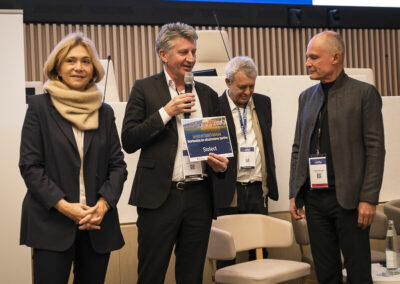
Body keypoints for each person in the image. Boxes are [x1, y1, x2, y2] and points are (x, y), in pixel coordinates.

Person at [121, 22, 228, 284]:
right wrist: (167, 111)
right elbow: (129, 140)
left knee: (192, 275)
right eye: (183, 52)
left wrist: (220, 165)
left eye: (193, 51)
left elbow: (221, 148)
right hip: (159, 198)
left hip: (199, 197)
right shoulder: (144, 89)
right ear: (163, 55)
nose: (191, 58)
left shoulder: (208, 93)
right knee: (151, 273)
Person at [19, 32, 127, 284]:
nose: (78, 67)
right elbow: (30, 166)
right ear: (57, 66)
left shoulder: (104, 111)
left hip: (97, 224)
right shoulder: (39, 107)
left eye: (86, 61)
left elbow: (118, 166)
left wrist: (101, 207)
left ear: (94, 69)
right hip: (52, 222)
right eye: (70, 60)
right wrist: (66, 207)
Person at [289, 31, 385, 284]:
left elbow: (375, 150)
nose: (307, 63)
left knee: (358, 273)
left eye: (314, 57)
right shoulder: (306, 97)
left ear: (335, 57)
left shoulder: (364, 93)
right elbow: (298, 147)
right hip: (315, 199)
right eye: (307, 57)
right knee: (326, 273)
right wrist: (295, 191)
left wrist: (369, 198)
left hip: (351, 201)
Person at [216, 56, 278, 265]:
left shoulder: (262, 102)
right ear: (228, 82)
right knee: (227, 253)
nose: (248, 92)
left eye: (252, 86)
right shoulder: (215, 106)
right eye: (242, 87)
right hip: (229, 189)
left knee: (260, 251)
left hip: (257, 189)